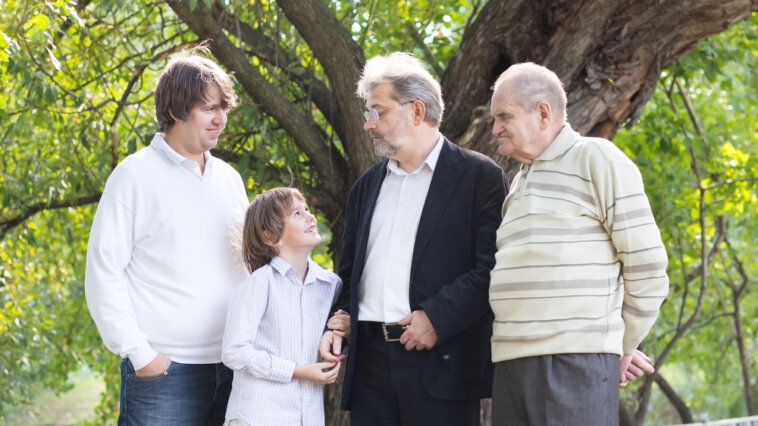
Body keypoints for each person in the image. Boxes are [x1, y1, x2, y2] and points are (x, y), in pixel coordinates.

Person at [319, 52, 509, 426]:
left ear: (417, 112)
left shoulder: (480, 178)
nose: (368, 125)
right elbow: (349, 273)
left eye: (378, 112)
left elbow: (493, 268)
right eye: (368, 113)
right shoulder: (366, 187)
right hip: (369, 364)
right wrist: (335, 321)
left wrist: (437, 318)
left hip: (442, 364)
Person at [488, 62, 669, 425]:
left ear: (542, 113)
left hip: (572, 366)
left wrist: (619, 344)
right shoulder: (518, 183)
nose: (495, 130)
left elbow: (647, 267)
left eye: (504, 116)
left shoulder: (597, 158)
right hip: (510, 366)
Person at [84, 47, 249, 425]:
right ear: (176, 111)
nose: (220, 119)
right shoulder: (133, 176)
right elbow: (102, 273)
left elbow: (248, 266)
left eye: (223, 108)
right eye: (210, 108)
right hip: (164, 375)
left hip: (233, 368)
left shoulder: (229, 179)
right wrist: (143, 357)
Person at [222, 187, 346, 426]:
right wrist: (295, 371)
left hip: (308, 417)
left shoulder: (331, 285)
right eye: (297, 214)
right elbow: (234, 351)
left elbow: (336, 335)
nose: (310, 217)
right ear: (270, 237)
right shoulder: (260, 283)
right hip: (257, 416)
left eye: (307, 210)